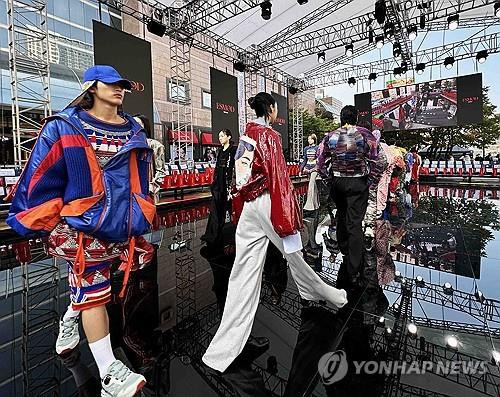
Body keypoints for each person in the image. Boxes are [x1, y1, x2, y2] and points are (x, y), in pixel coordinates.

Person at [6, 65, 155, 397]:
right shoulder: (65, 127)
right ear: (92, 86)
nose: (120, 89)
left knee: (93, 290)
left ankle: (69, 321)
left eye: (123, 85)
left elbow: (139, 183)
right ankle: (108, 371)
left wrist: (138, 225)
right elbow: (40, 176)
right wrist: (51, 224)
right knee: (96, 293)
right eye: (112, 84)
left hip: (118, 227)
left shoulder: (133, 129)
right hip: (80, 230)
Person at [202, 92, 347, 373]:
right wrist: (288, 215)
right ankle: (321, 292)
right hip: (271, 203)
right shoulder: (270, 136)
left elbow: (240, 179)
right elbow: (279, 178)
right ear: (270, 109)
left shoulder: (246, 136)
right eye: (275, 107)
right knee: (294, 255)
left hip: (249, 209)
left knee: (242, 273)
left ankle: (222, 349)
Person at [317, 105, 386, 291]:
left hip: (338, 182)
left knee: (341, 215)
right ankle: (354, 267)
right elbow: (380, 160)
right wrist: (371, 181)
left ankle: (345, 249)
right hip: (358, 183)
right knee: (354, 222)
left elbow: (320, 161)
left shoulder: (330, 136)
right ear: (355, 118)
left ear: (341, 118)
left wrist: (328, 179)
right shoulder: (365, 135)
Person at [201, 129, 237, 245]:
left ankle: (235, 236)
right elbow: (217, 168)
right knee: (216, 210)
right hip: (218, 185)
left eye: (222, 136)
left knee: (232, 210)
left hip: (229, 185)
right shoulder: (220, 151)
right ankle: (215, 233)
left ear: (229, 137)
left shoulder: (234, 150)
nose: (220, 138)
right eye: (219, 136)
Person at [134, 114, 166, 203]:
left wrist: (153, 186)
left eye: (138, 123)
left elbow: (161, 170)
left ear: (144, 126)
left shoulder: (155, 145)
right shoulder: (129, 145)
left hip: (148, 191)